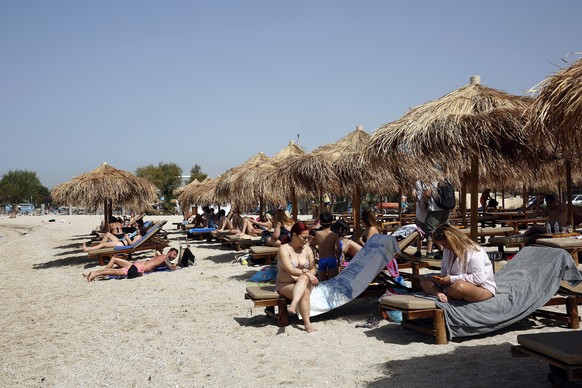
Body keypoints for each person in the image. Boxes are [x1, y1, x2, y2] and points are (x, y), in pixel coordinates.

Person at [419, 224, 496, 303]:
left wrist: (451, 279)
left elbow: (478, 278)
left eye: (446, 244)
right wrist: (441, 278)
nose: (445, 247)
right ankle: (440, 294)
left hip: (480, 287)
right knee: (424, 280)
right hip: (451, 285)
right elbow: (445, 272)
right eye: (443, 245)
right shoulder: (447, 250)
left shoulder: (475, 251)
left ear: (454, 240)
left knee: (459, 287)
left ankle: (448, 295)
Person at [275, 222, 318, 332]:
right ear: (294, 236)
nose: (306, 240)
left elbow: (313, 268)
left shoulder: (308, 250)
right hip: (285, 284)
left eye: (308, 238)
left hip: (304, 282)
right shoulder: (284, 249)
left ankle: (293, 304)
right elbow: (290, 270)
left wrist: (308, 274)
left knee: (303, 279)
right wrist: (308, 274)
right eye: (303, 238)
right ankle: (307, 323)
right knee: (305, 289)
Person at [84, 248, 179, 282]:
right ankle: (95, 274)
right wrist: (175, 266)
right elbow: (171, 267)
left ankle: (95, 273)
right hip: (139, 268)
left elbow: (157, 254)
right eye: (174, 254)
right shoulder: (164, 258)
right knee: (117, 271)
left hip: (138, 264)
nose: (174, 257)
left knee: (116, 270)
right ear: (169, 252)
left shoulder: (161, 255)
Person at [423, 181, 451, 258]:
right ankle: (447, 250)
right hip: (446, 208)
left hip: (434, 209)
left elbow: (427, 194)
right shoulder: (446, 180)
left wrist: (425, 198)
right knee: (445, 230)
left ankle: (442, 249)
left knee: (429, 228)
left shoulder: (430, 181)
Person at [314, 212, 341, 281]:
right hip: (331, 258)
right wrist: (338, 259)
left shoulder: (317, 233)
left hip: (322, 259)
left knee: (321, 281)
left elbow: (315, 243)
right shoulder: (335, 235)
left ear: (320, 223)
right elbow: (338, 249)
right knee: (331, 281)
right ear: (331, 223)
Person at [82, 226, 146, 252]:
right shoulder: (138, 236)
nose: (136, 230)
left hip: (121, 244)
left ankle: (87, 249)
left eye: (138, 229)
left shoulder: (138, 237)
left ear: (141, 231)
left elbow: (132, 244)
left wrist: (127, 237)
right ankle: (99, 247)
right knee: (107, 234)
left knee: (103, 245)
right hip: (121, 242)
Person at [414, 181, 428, 257]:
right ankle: (428, 251)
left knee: (419, 233)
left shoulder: (418, 183)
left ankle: (419, 251)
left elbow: (414, 195)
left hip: (420, 213)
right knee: (429, 233)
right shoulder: (428, 183)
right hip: (427, 212)